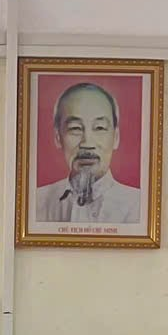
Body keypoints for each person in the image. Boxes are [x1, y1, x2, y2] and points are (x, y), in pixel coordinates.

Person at [30, 81, 143, 228]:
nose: (87, 142)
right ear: (58, 137)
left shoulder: (139, 206)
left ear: (116, 138)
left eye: (100, 127)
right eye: (75, 128)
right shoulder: (35, 202)